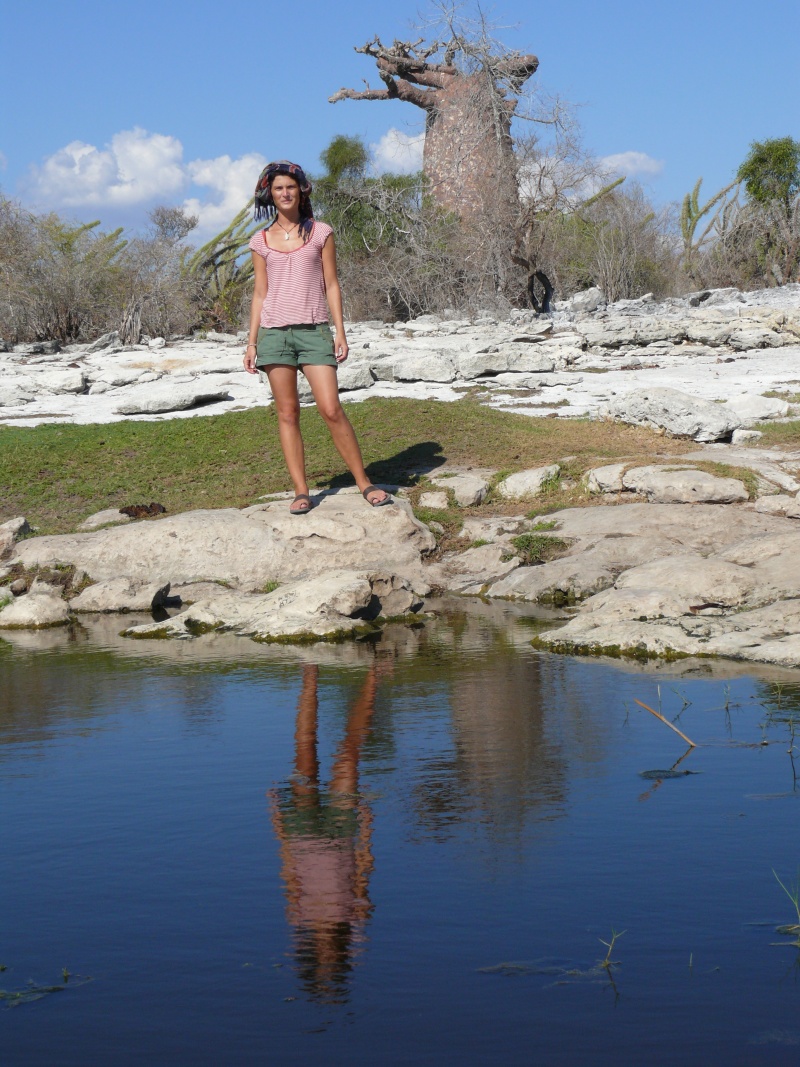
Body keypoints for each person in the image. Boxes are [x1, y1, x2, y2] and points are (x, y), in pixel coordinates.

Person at [243, 160, 390, 514]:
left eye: (290, 187)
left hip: (314, 331)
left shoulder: (321, 232)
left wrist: (340, 331)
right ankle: (301, 491)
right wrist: (251, 342)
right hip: (274, 335)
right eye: (278, 188)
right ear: (270, 194)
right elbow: (260, 293)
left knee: (331, 408)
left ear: (301, 191)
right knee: (287, 413)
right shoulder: (260, 240)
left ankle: (364, 483)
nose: (285, 193)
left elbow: (332, 284)